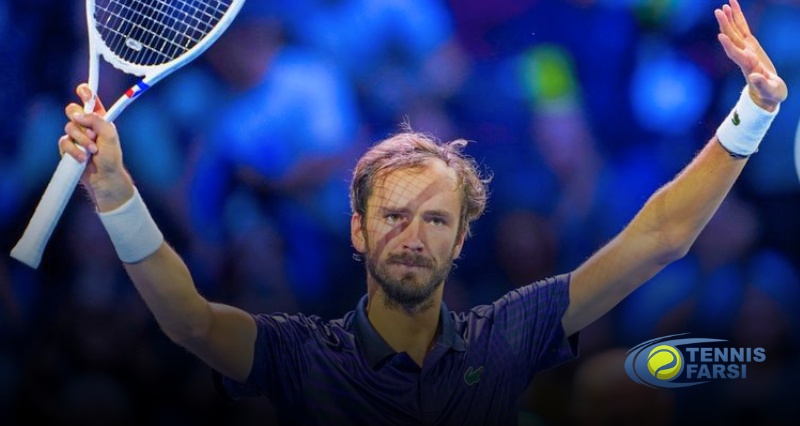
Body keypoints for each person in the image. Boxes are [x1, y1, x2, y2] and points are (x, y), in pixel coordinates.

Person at [56, 1, 786, 424]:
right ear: (357, 228)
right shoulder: (299, 355)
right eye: (394, 215)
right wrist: (114, 191)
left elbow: (659, 237)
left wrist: (753, 111)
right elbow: (189, 321)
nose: (413, 236)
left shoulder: (510, 336)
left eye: (436, 220)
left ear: (462, 239)